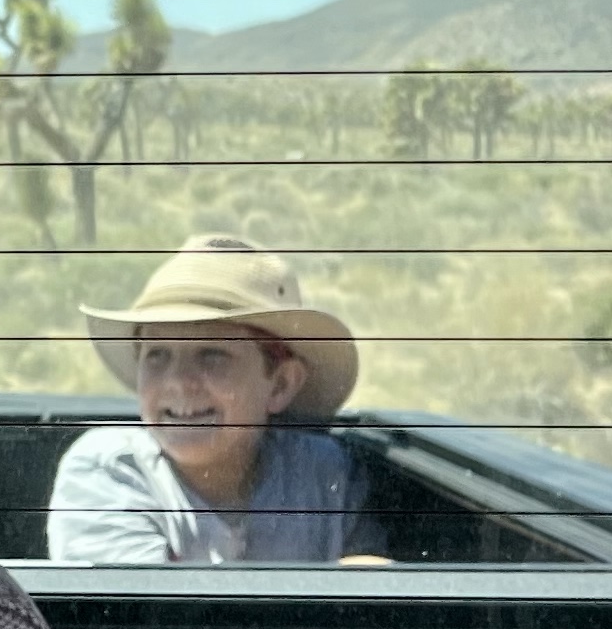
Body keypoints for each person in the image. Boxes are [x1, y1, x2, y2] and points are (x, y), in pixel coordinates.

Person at [46, 235, 388, 564]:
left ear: (280, 385)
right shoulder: (111, 472)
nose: (178, 382)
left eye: (212, 355)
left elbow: (373, 582)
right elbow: (147, 603)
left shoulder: (324, 474)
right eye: (157, 354)